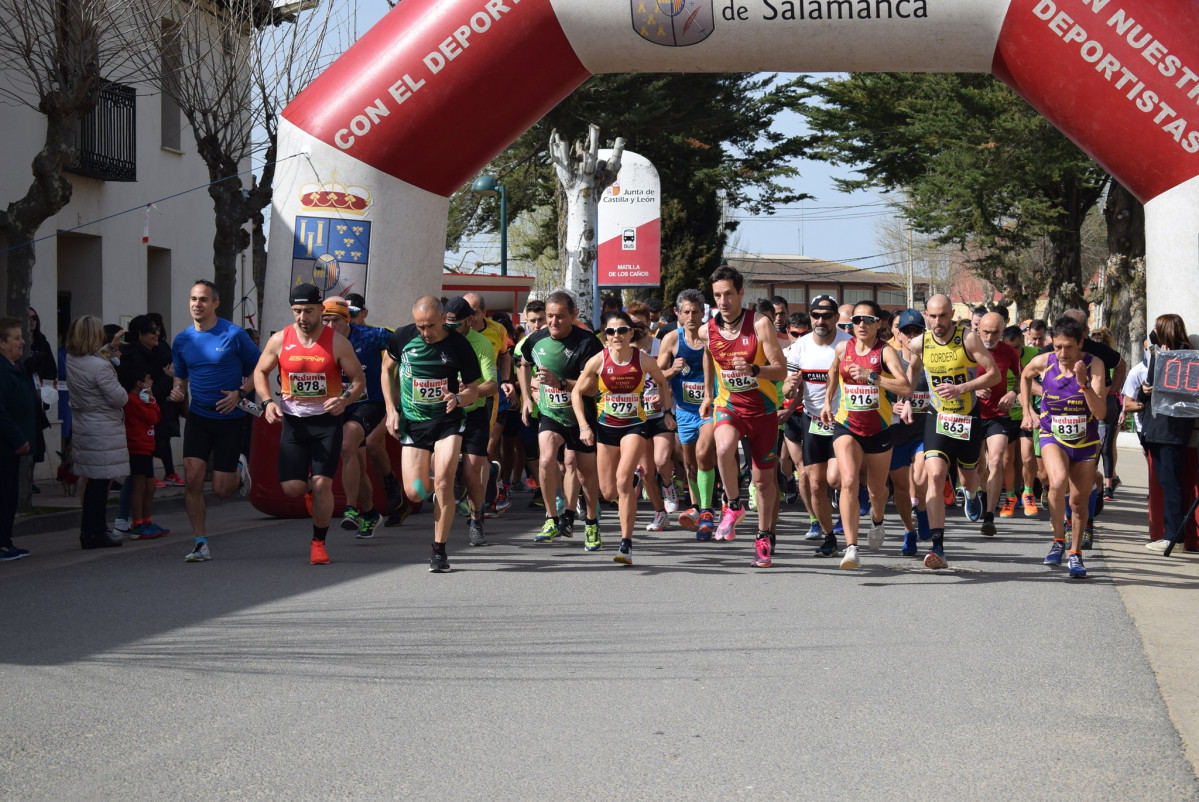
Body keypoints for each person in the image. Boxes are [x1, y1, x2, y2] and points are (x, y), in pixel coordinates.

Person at [254, 283, 366, 565]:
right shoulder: (280, 340)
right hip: (294, 422)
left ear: (320, 310)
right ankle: (308, 493)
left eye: (308, 311)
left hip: (327, 422)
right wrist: (268, 401)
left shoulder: (338, 342)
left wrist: (344, 400)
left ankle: (318, 542)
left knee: (322, 485)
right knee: (292, 488)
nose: (302, 317)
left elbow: (358, 381)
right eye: (297, 311)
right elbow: (260, 371)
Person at [382, 296, 482, 572]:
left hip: (447, 422)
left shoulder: (458, 344)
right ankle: (448, 473)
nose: (425, 332)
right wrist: (391, 409)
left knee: (442, 485)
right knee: (414, 493)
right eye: (420, 326)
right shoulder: (402, 337)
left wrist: (459, 399)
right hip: (414, 423)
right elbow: (386, 369)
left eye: (431, 326)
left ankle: (439, 550)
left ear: (444, 319)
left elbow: (474, 388)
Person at [698, 264, 788, 568]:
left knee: (763, 483)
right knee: (722, 447)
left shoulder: (760, 324)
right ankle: (733, 505)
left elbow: (781, 368)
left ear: (740, 294)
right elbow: (708, 356)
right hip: (729, 405)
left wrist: (753, 370)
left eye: (728, 295)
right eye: (717, 296)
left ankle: (763, 537)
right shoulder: (706, 329)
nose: (723, 302)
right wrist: (709, 394)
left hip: (762, 410)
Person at [904, 295, 1001, 569]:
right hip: (938, 417)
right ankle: (938, 548)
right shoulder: (919, 343)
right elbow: (911, 371)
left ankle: (971, 495)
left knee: (969, 478)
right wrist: (908, 399)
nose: (937, 322)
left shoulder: (968, 338)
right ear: (926, 316)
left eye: (943, 316)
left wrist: (962, 388)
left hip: (967, 417)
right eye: (932, 317)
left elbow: (993, 374)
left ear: (952, 314)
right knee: (934, 474)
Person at [170, 280, 261, 562]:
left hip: (230, 418)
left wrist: (240, 393)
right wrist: (178, 389)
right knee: (193, 480)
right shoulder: (182, 340)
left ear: (215, 304)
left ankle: (238, 467)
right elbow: (181, 374)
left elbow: (260, 367)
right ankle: (200, 542)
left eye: (203, 299)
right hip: (199, 415)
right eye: (193, 298)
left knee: (222, 489)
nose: (197, 304)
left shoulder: (233, 335)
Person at [574, 310, 673, 564]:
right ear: (605, 336)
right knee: (607, 493)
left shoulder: (643, 360)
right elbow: (576, 393)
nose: (616, 335)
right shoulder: (598, 361)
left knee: (621, 482)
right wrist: (584, 426)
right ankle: (637, 476)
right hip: (606, 428)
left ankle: (626, 545)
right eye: (610, 331)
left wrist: (666, 411)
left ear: (631, 333)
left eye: (621, 330)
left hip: (634, 426)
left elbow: (662, 382)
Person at [821, 301, 910, 569]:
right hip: (847, 424)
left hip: (879, 428)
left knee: (876, 491)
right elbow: (834, 372)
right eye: (856, 320)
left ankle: (878, 520)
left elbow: (905, 387)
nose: (861, 325)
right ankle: (851, 547)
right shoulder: (842, 347)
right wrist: (828, 401)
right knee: (848, 480)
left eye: (867, 320)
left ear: (878, 323)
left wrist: (873, 378)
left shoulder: (886, 353)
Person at [1019, 315, 1107, 578]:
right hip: (1052, 434)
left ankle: (1076, 553)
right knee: (1056, 483)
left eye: (1068, 346)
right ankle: (1058, 540)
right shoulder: (1045, 362)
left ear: (1081, 342)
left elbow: (1101, 412)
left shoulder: (1095, 365)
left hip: (1086, 440)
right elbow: (1024, 376)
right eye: (1057, 346)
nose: (1062, 353)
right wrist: (1027, 411)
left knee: (1079, 501)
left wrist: (1084, 385)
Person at [518, 291, 604, 548]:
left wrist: (560, 383)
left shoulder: (588, 344)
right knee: (545, 460)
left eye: (560, 317)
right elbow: (522, 363)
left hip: (581, 417)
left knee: (583, 471)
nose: (553, 322)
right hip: (550, 413)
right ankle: (552, 518)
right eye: (550, 316)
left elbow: (593, 388)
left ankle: (590, 523)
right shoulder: (536, 340)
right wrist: (526, 398)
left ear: (574, 315)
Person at [781, 295, 851, 552]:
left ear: (836, 318)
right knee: (815, 483)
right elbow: (789, 391)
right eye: (815, 315)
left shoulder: (848, 343)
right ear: (810, 317)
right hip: (813, 420)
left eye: (826, 315)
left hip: (843, 421)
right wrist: (790, 388)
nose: (820, 320)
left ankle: (848, 513)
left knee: (835, 479)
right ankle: (829, 537)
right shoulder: (800, 346)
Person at [322, 298, 389, 539]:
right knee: (356, 463)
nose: (330, 326)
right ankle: (370, 513)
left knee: (347, 444)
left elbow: (405, 340)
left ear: (347, 319)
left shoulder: (370, 335)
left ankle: (350, 510)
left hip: (369, 403)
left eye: (336, 320)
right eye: (325, 320)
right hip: (338, 405)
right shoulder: (318, 341)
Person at [344, 293, 407, 526]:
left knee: (371, 443)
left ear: (364, 313)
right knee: (358, 456)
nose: (347, 320)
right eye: (343, 315)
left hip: (388, 399)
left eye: (352, 315)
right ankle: (369, 511)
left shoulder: (375, 335)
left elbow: (409, 350)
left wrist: (401, 393)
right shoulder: (336, 336)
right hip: (353, 403)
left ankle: (394, 489)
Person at [658, 289, 717, 538]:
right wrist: (672, 369)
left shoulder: (712, 337)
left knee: (704, 454)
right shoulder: (672, 339)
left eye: (696, 312)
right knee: (690, 462)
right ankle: (696, 508)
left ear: (704, 313)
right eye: (686, 312)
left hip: (710, 408)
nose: (691, 316)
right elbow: (657, 375)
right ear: (678, 314)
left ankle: (707, 512)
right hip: (683, 410)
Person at [66, 316, 129, 550]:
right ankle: (95, 532)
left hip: (85, 423)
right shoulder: (100, 367)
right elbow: (119, 397)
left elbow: (92, 360)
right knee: (100, 485)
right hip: (102, 426)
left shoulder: (73, 359)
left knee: (93, 482)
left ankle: (90, 530)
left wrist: (109, 350)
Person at [1140, 315, 1197, 553]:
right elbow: (1150, 388)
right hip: (1157, 427)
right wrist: (1146, 388)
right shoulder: (1159, 354)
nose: (1153, 332)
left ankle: (1174, 534)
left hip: (1171, 429)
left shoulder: (1184, 356)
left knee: (1171, 482)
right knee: (1165, 481)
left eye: (1156, 328)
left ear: (1166, 330)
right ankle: (1172, 532)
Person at [445, 296, 498, 547]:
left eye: (456, 325)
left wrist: (472, 392)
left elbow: (492, 383)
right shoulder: (438, 338)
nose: (451, 329)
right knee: (442, 469)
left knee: (472, 472)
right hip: (446, 413)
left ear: (470, 320)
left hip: (475, 412)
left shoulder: (482, 343)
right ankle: (455, 469)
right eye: (447, 324)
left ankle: (477, 520)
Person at [627, 300, 675, 530]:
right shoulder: (624, 351)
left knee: (663, 460)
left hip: (662, 413)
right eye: (631, 324)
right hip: (638, 416)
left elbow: (677, 378)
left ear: (649, 324)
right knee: (645, 471)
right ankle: (660, 513)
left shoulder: (660, 347)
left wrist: (667, 396)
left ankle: (668, 484)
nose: (635, 329)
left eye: (640, 324)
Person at [974, 312, 1022, 537]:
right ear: (978, 329)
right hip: (970, 413)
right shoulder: (967, 349)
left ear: (1002, 332)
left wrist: (1013, 392)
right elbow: (951, 378)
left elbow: (1023, 378)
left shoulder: (1008, 351)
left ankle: (989, 517)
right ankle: (979, 496)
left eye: (995, 333)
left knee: (996, 459)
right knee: (976, 466)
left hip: (997, 415)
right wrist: (973, 388)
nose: (990, 337)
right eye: (986, 332)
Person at [116, 366, 168, 540]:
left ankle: (146, 520)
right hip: (137, 447)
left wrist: (151, 402)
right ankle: (137, 523)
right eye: (148, 380)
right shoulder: (133, 400)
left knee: (150, 486)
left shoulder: (142, 399)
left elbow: (156, 416)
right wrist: (152, 401)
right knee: (139, 486)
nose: (151, 383)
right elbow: (152, 417)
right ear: (139, 383)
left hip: (147, 446)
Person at [0, 317, 37, 561]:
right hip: (5, 445)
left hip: (15, 444)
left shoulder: (17, 366)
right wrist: (17, 438)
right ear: (2, 343)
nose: (22, 342)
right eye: (16, 338)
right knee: (3, 495)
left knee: (10, 494)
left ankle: (6, 540)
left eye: (21, 337)